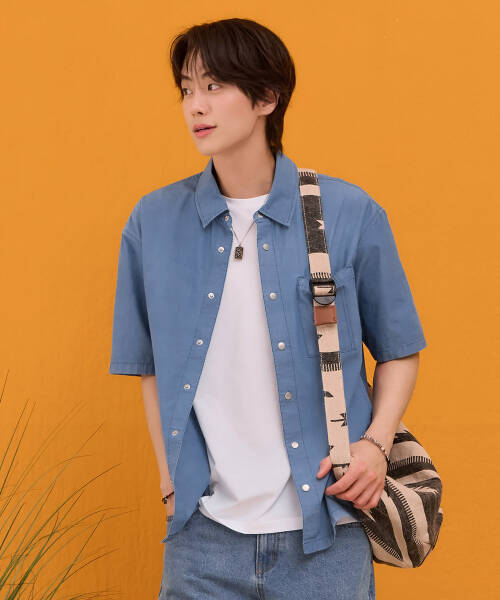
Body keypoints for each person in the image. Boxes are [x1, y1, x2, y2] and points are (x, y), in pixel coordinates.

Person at [109, 17, 427, 600]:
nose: (195, 106)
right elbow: (148, 366)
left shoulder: (347, 212)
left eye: (213, 86)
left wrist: (376, 445)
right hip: (203, 538)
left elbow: (400, 349)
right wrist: (169, 482)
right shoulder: (152, 223)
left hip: (327, 530)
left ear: (266, 98)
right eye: (186, 89)